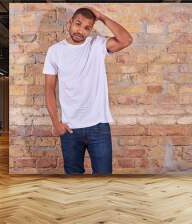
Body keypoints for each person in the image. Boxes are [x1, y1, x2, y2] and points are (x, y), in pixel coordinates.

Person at [43, 7, 133, 175]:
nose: (81, 30)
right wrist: (56, 123)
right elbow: (49, 89)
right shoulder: (55, 51)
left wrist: (102, 17)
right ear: (70, 23)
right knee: (73, 182)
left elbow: (126, 39)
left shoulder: (97, 44)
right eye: (78, 24)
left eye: (87, 28)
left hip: (98, 127)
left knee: (104, 180)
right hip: (70, 129)